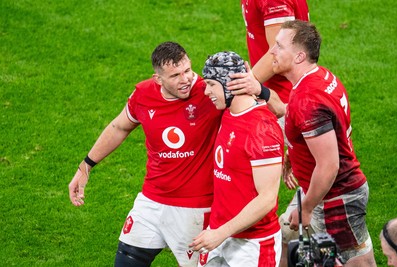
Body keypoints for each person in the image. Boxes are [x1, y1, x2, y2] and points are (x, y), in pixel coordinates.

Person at [68, 42, 280, 267]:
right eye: (176, 75)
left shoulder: (211, 92)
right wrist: (86, 166)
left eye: (188, 70)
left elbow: (277, 110)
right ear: (158, 79)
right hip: (151, 199)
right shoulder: (143, 94)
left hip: (196, 209)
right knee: (126, 260)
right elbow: (119, 127)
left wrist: (259, 88)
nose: (187, 79)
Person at [269, 20, 377, 266]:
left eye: (278, 46)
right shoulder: (319, 76)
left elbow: (329, 166)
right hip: (320, 190)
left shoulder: (308, 100)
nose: (272, 51)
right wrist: (291, 157)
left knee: (355, 261)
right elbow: (306, 135)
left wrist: (307, 207)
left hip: (336, 198)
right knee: (288, 237)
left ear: (299, 56)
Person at [189, 51, 284, 266]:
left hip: (253, 245)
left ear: (230, 84)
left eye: (212, 84)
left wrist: (220, 233)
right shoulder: (228, 113)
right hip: (220, 233)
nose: (206, 92)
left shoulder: (261, 129)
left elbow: (267, 198)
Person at [241, 0, 309, 104]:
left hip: (283, 98)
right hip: (271, 90)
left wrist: (244, 87)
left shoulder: (273, 2)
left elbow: (280, 50)